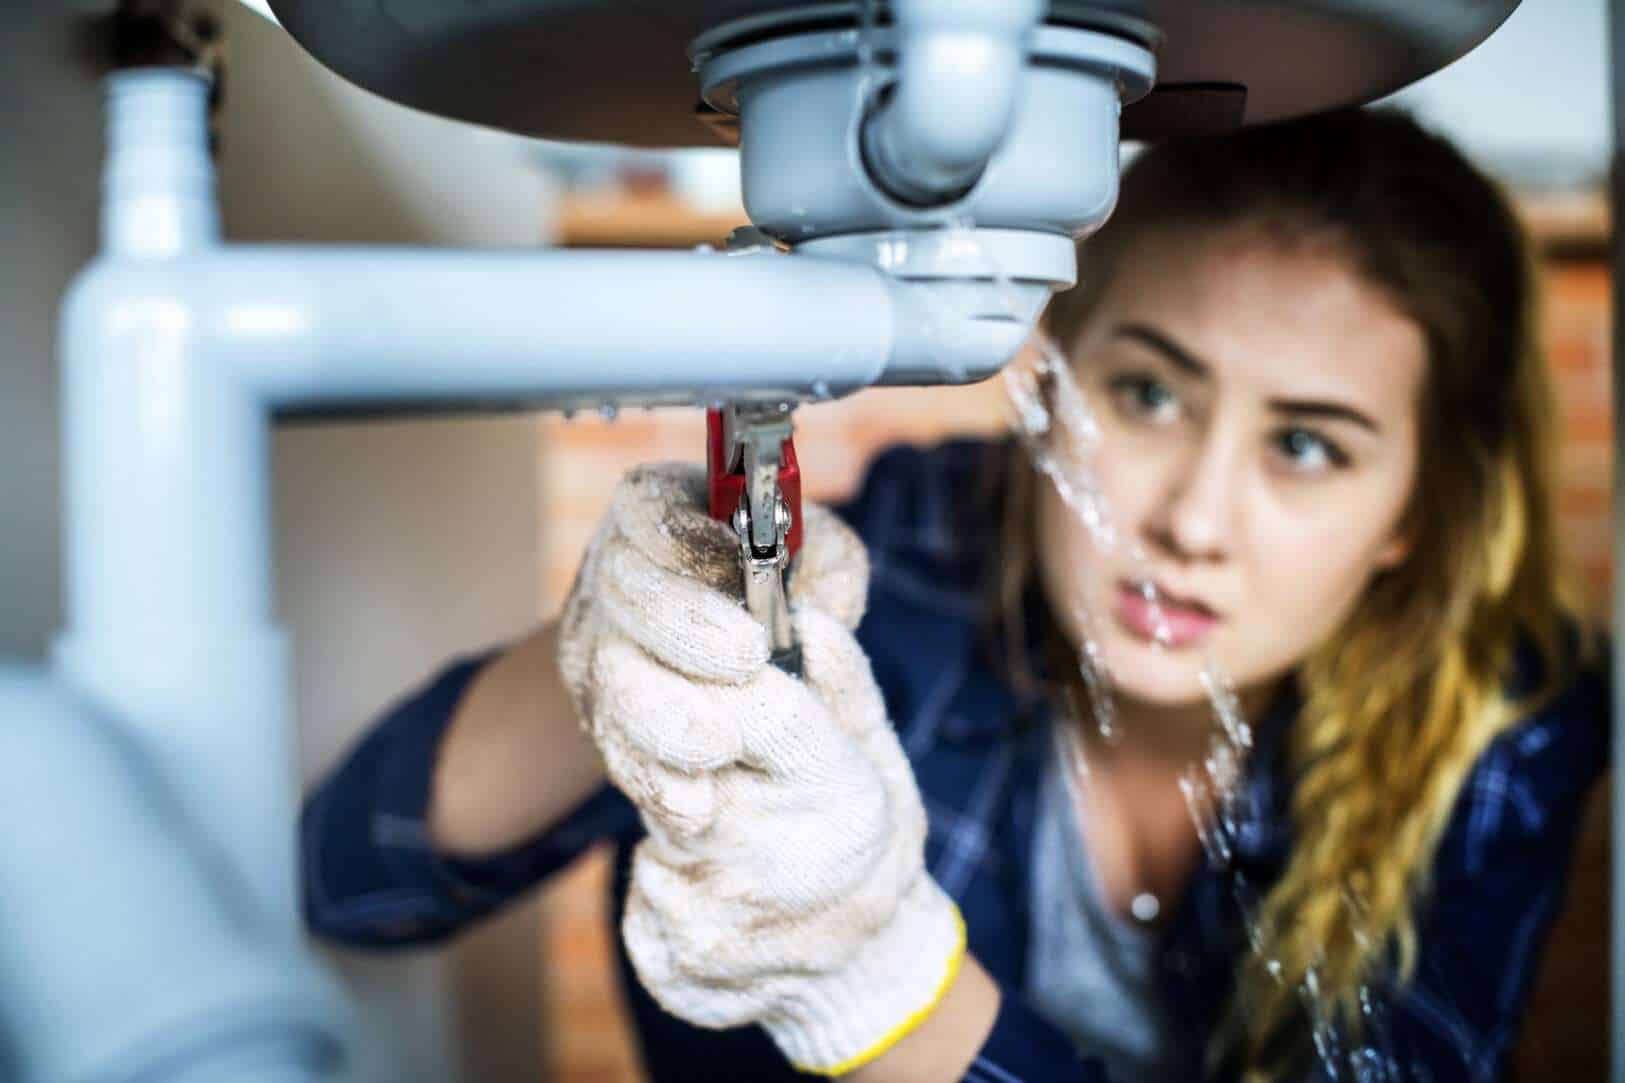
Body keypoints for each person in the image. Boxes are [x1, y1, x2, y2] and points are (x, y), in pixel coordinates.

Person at [299, 108, 1608, 1082]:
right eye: (1146, 393)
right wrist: (600, 656)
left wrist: (878, 981)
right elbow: (352, 880)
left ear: (1412, 515)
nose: (1190, 521)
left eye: (1305, 444)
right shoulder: (920, 552)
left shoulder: (1496, 717)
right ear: (1048, 382)